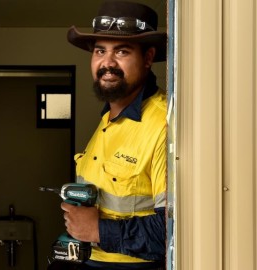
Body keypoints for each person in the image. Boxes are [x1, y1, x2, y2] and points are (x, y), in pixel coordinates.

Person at [57, 1, 168, 269]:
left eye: (122, 51)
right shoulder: (107, 119)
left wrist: (98, 231)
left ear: (148, 58)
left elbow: (176, 231)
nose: (107, 63)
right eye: (100, 51)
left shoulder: (164, 123)